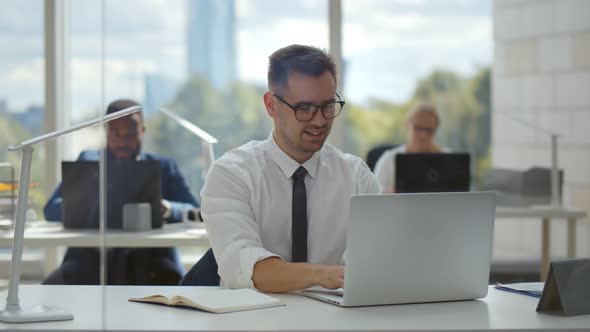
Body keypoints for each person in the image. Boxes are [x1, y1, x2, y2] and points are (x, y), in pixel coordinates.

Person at [199, 45, 381, 292]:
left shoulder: (356, 176)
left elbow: (382, 257)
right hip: (251, 318)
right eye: (304, 108)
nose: (319, 121)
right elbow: (242, 268)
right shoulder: (231, 174)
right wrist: (320, 274)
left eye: (328, 106)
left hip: (334, 318)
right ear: (271, 105)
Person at [43, 99, 199, 285]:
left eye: (130, 134)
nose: (122, 141)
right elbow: (51, 209)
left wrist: (166, 208)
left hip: (152, 265)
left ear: (143, 131)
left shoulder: (165, 167)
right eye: (116, 134)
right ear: (107, 132)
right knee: (50, 290)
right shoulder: (88, 162)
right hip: (90, 264)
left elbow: (195, 211)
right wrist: (87, 203)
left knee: (181, 292)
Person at [373, 103, 448, 193]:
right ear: (407, 125)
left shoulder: (450, 159)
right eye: (418, 128)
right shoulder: (388, 159)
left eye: (429, 130)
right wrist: (391, 193)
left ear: (436, 130)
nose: (423, 135)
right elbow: (374, 197)